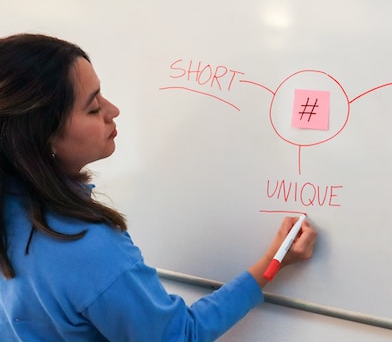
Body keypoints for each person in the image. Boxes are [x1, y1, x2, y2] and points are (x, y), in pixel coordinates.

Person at [0, 33, 317, 341]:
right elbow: (180, 336)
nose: (113, 111)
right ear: (43, 136)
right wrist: (272, 263)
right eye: (93, 108)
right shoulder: (83, 244)